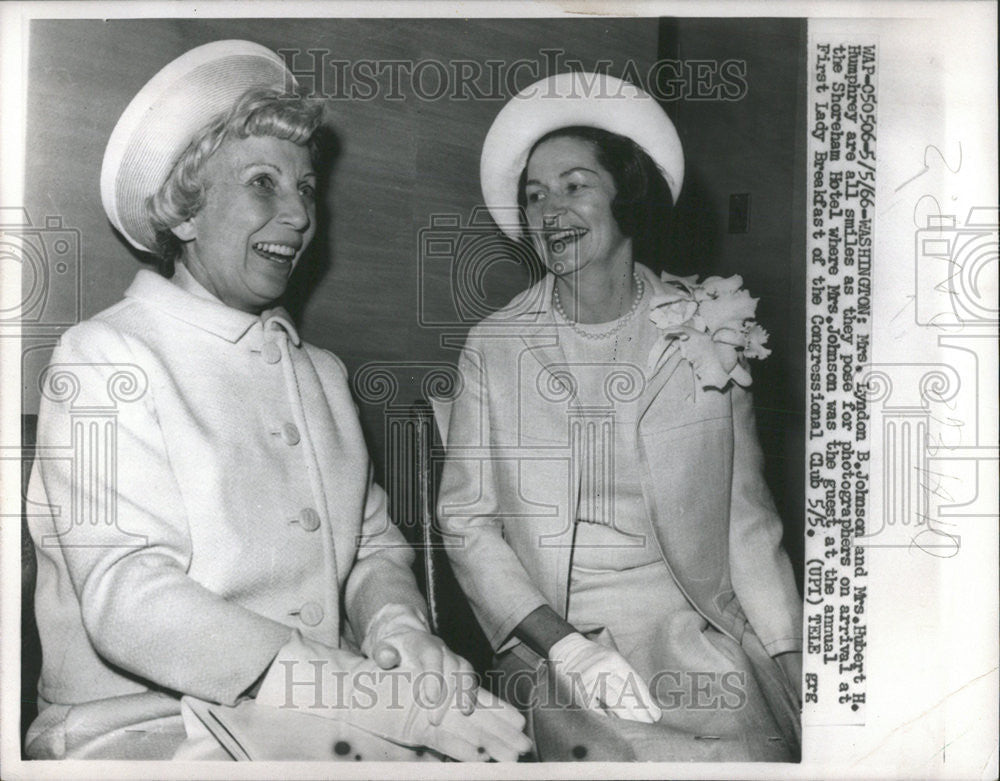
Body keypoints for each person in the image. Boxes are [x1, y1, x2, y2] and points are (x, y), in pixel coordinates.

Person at [24, 40, 529, 762]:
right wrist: (364, 695)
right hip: (138, 730)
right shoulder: (102, 357)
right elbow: (128, 599)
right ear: (185, 210)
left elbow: (373, 545)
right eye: (264, 182)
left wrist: (399, 633)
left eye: (307, 189)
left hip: (322, 717)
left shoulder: (321, 373)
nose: (298, 216)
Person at [437, 72, 802, 761]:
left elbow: (746, 525)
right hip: (563, 644)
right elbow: (467, 525)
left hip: (697, 630)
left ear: (624, 193)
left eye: (574, 185)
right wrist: (564, 646)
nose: (550, 211)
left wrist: (790, 656)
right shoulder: (495, 346)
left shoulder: (709, 324)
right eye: (534, 195)